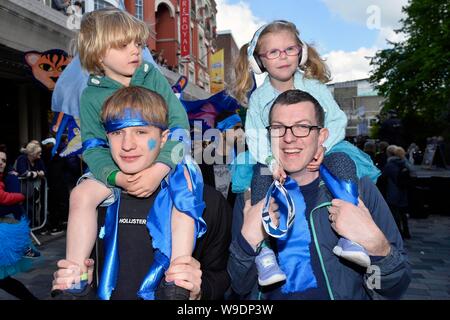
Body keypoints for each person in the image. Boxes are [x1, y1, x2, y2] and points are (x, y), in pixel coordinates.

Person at [231, 20, 380, 286]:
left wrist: (321, 147)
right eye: (273, 52)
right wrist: (270, 160)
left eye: (289, 49)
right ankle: (263, 253)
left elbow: (335, 120)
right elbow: (255, 136)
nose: (283, 56)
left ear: (301, 51)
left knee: (343, 163)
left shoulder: (315, 87)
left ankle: (351, 236)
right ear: (259, 61)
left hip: (327, 146)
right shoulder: (258, 100)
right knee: (259, 178)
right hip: (273, 154)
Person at [228, 89, 411, 299]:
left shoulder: (360, 191)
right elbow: (239, 287)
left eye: (302, 127)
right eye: (278, 128)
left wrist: (378, 248)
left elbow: (393, 286)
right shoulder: (252, 198)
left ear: (321, 135)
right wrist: (247, 243)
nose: (288, 138)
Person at [52, 86, 231, 300]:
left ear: (164, 138)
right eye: (117, 132)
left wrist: (198, 292)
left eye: (141, 132)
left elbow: (224, 278)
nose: (127, 145)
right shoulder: (91, 203)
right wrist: (81, 287)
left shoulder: (205, 202)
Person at [62, 8, 192, 297]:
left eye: (137, 43)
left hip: (166, 160)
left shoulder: (152, 77)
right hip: (114, 170)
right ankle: (74, 271)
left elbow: (180, 126)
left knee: (185, 192)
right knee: (80, 195)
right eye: (123, 45)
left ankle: (180, 273)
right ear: (97, 53)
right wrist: (116, 177)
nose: (135, 51)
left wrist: (160, 168)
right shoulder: (91, 96)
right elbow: (94, 147)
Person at [0, 149, 38, 300]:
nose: (1, 163)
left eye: (3, 160)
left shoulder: (9, 178)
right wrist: (20, 195)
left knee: (4, 280)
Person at [381, 145, 411, 239]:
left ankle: (398, 232)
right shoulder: (404, 163)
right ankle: (406, 232)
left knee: (395, 213)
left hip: (393, 191)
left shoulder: (390, 165)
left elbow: (383, 178)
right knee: (403, 213)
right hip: (403, 191)